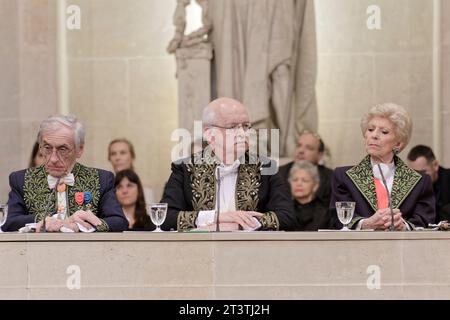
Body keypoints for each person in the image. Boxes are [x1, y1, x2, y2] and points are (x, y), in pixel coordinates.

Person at [160, 97, 297, 231]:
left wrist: (238, 225)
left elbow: (287, 217)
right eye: (232, 127)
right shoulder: (185, 168)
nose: (243, 134)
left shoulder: (266, 167)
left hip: (254, 251)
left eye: (246, 126)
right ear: (210, 134)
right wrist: (217, 218)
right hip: (201, 252)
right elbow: (165, 218)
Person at [2, 115, 128, 232]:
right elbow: (8, 222)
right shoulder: (21, 179)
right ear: (40, 147)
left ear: (80, 149)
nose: (53, 159)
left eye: (63, 149)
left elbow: (119, 222)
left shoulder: (102, 179)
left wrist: (80, 225)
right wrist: (45, 220)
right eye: (47, 148)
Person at [330, 103, 435, 230]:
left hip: (403, 248)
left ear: (398, 143)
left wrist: (403, 226)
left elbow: (425, 221)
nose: (374, 135)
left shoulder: (420, 181)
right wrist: (366, 223)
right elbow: (336, 218)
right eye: (370, 129)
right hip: (357, 247)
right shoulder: (344, 177)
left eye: (384, 132)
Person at [279, 131, 333, 207]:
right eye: (299, 145)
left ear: (320, 155)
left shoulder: (330, 178)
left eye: (309, 148)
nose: (301, 151)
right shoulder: (279, 174)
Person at [407, 145, 450, 223]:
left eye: (423, 172)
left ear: (435, 165)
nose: (419, 178)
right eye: (414, 174)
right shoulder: (410, 186)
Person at [289, 160, 330, 231]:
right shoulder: (283, 210)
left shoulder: (325, 212)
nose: (299, 184)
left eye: (304, 180)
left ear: (315, 185)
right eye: (295, 180)